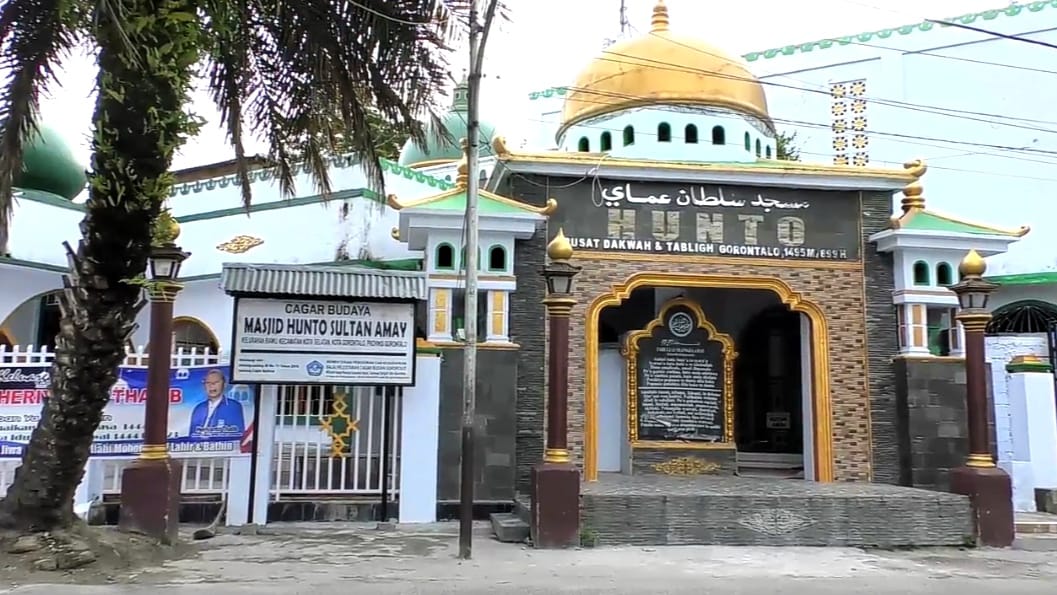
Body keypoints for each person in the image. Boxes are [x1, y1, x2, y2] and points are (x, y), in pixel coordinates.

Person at [188, 369, 245, 438]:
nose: (211, 386)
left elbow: (238, 435)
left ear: (224, 384)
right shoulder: (198, 408)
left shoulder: (234, 407)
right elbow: (192, 436)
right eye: (208, 383)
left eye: (215, 382)